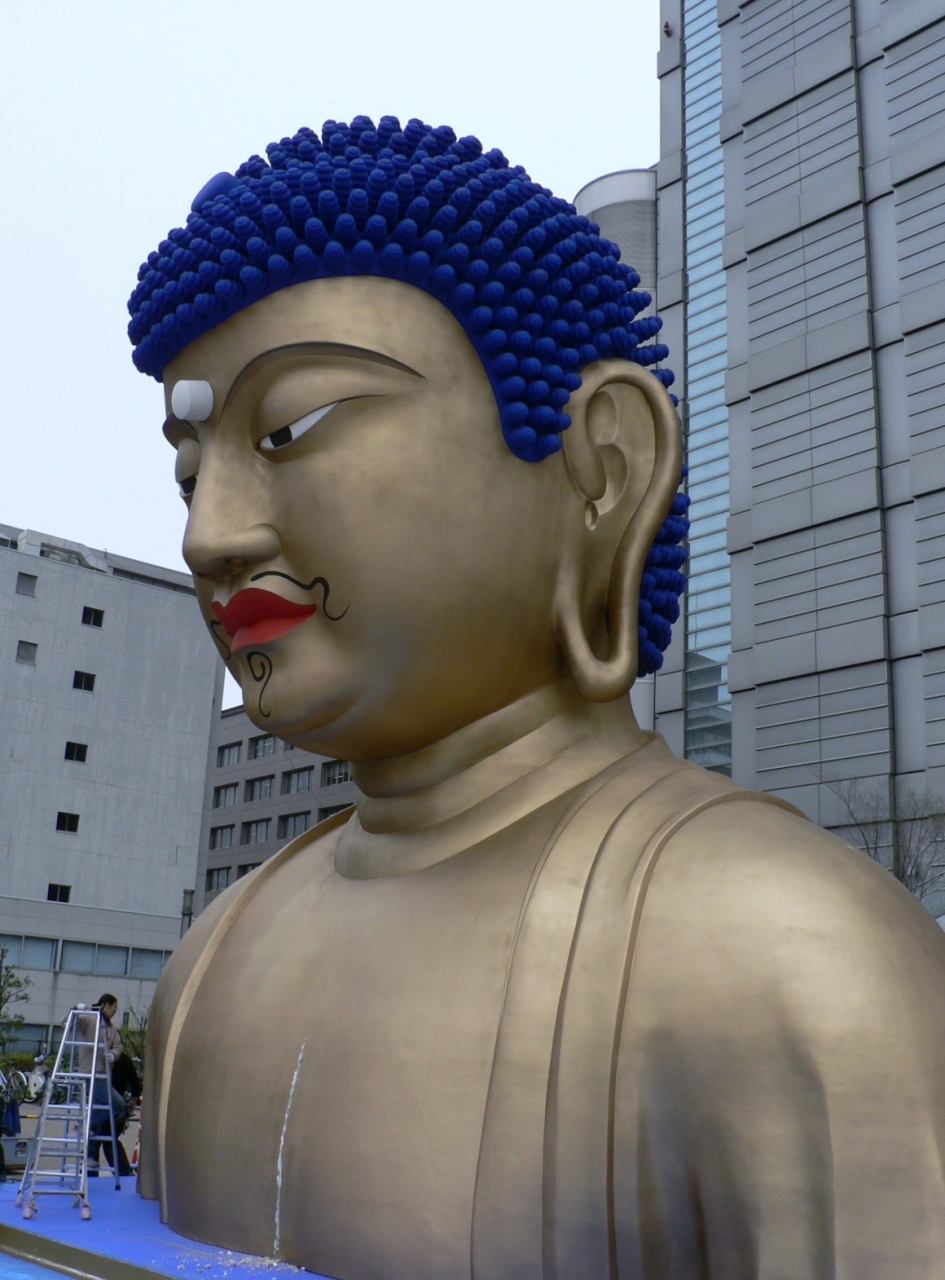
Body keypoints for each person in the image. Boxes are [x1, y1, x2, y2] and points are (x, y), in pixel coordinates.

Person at [129, 116, 945, 1278]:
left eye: (293, 425)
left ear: (603, 467)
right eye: (190, 468)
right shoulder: (212, 961)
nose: (211, 533)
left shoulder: (791, 959)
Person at [84, 995, 131, 1177]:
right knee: (117, 1104)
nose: (116, 1010)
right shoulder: (90, 1020)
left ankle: (90, 1156)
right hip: (90, 1073)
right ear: (106, 1006)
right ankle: (89, 1124)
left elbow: (118, 1046)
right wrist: (78, 1009)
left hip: (103, 1075)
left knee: (101, 1118)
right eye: (114, 1007)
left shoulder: (111, 1029)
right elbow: (68, 1024)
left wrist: (113, 1053)